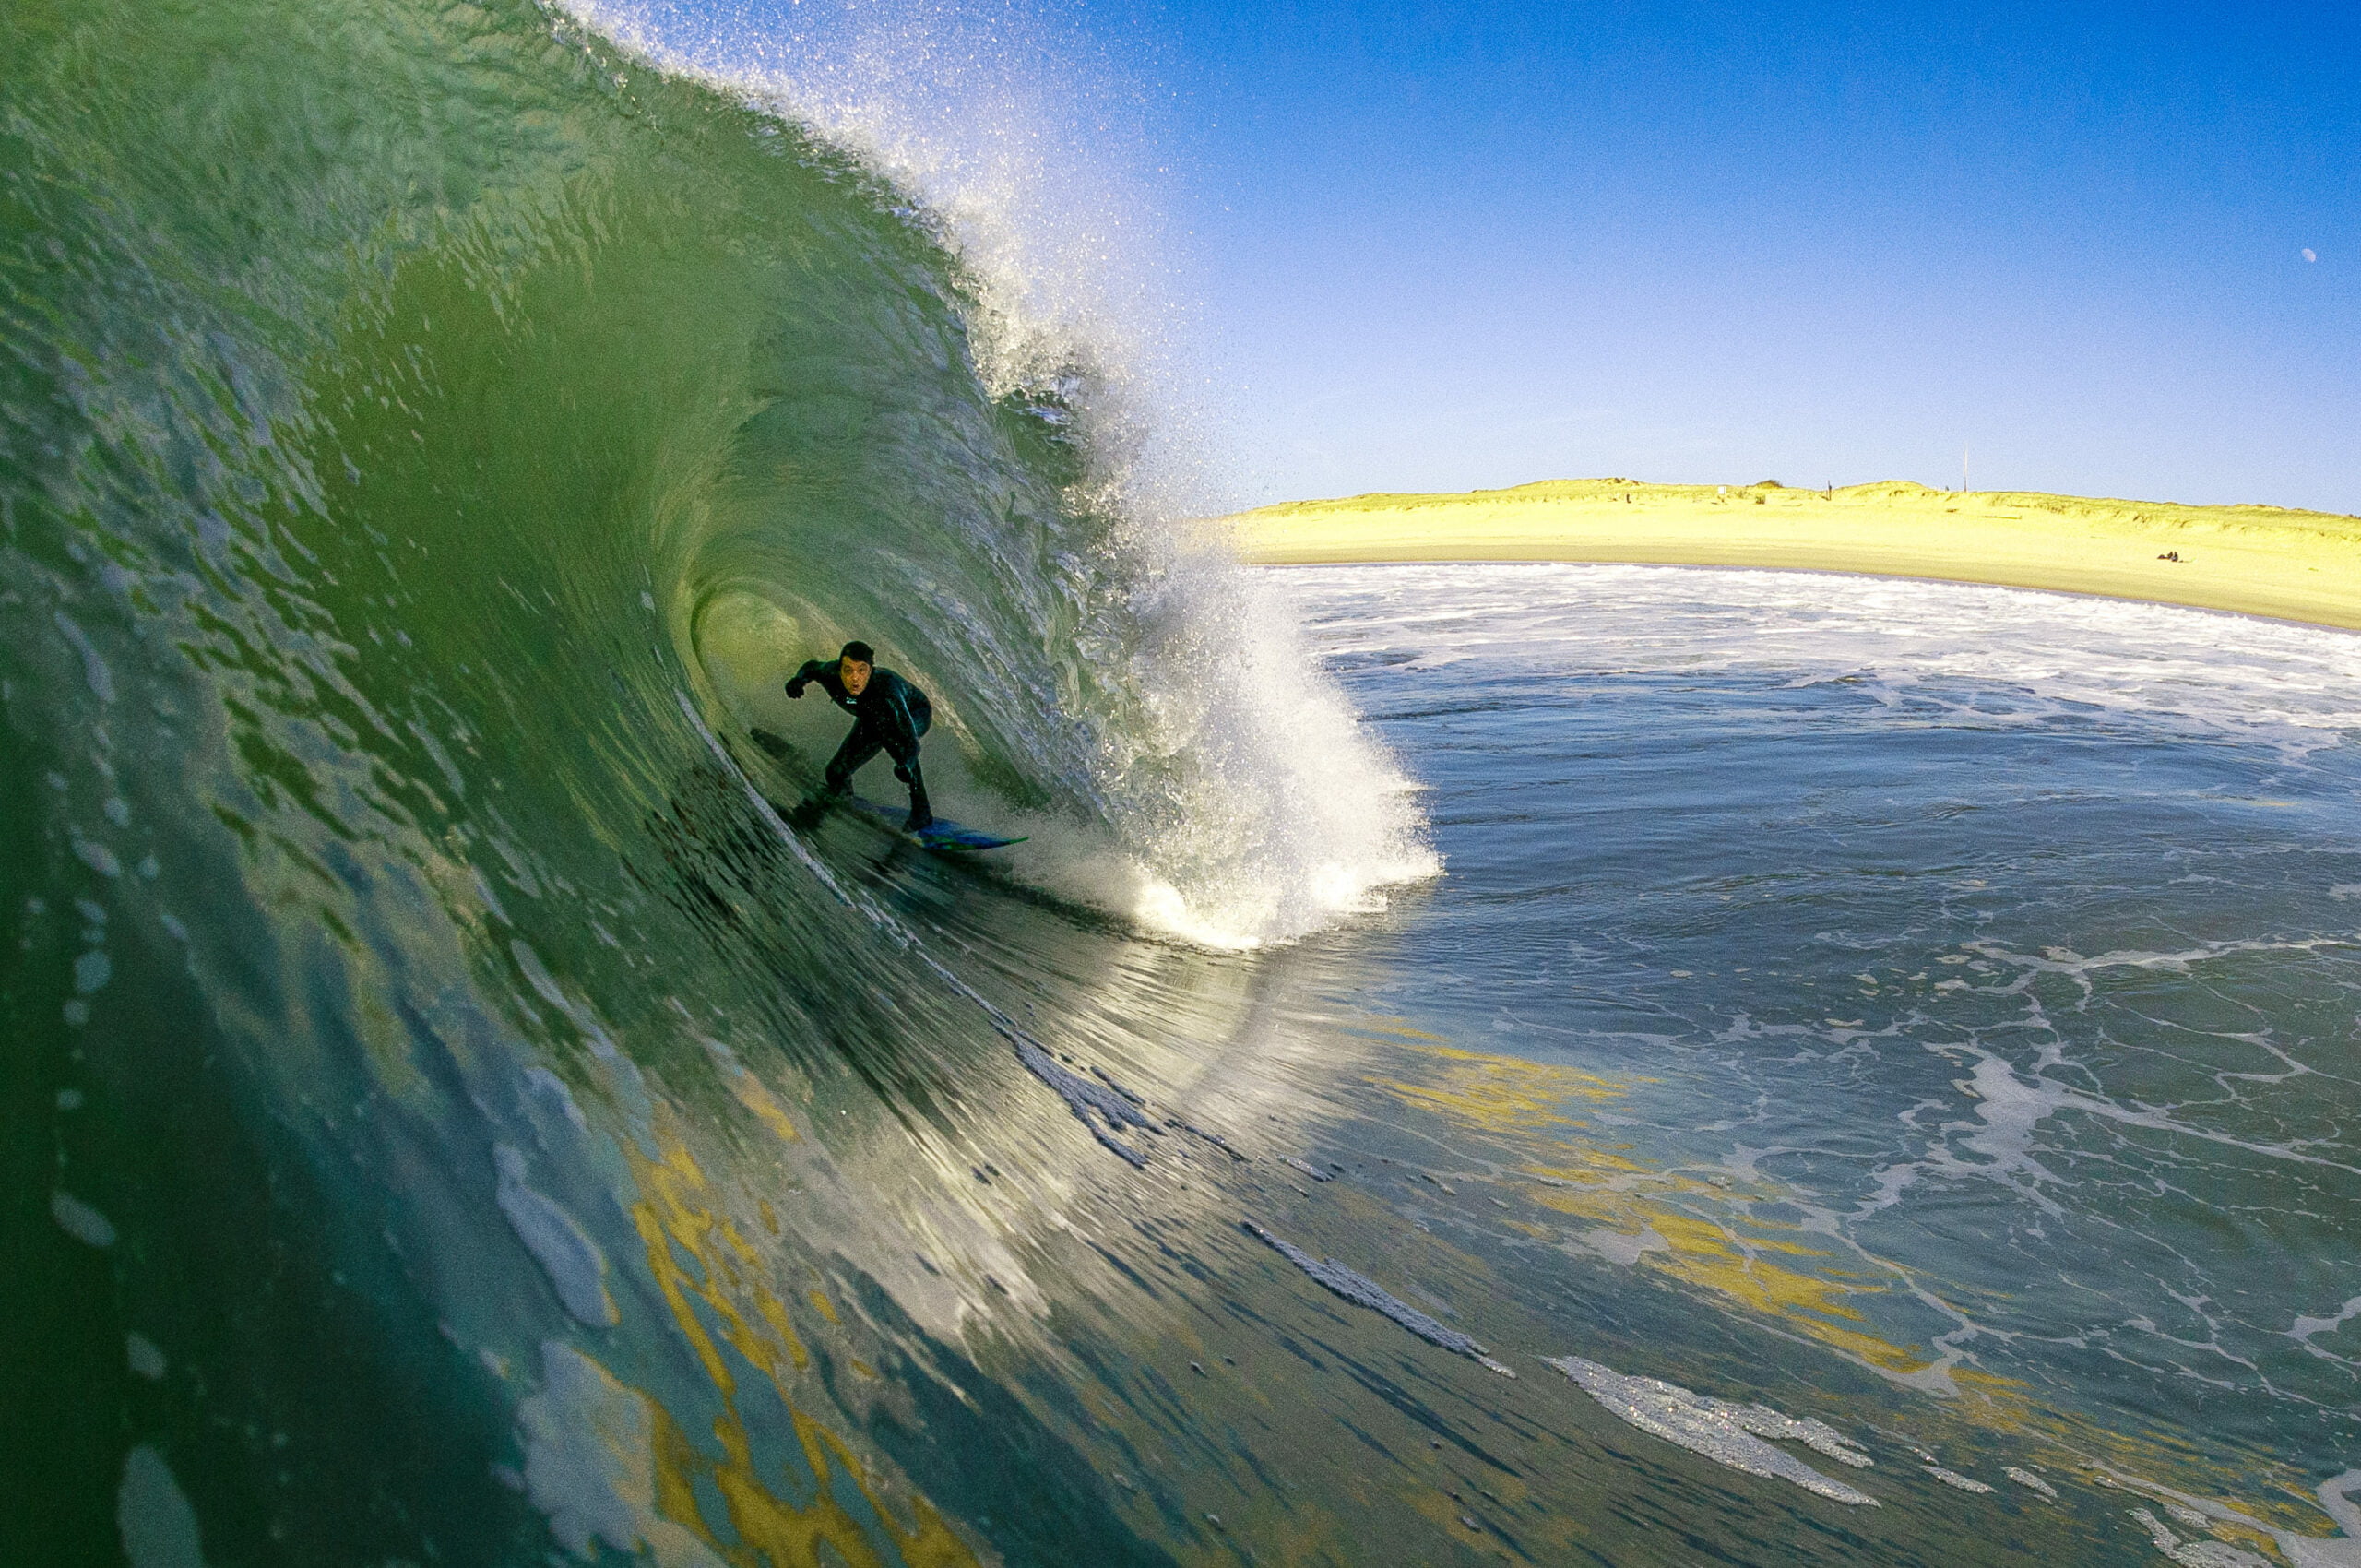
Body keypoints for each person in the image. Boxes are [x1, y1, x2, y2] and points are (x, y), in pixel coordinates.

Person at [786, 641, 934, 830]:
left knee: (893, 738)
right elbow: (810, 667)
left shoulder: (887, 694)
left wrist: (906, 763)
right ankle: (843, 792)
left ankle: (922, 812)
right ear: (839, 669)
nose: (855, 679)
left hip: (915, 712)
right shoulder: (830, 674)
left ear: (871, 670)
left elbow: (910, 742)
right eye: (848, 670)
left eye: (862, 671)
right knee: (835, 773)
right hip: (872, 717)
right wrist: (798, 680)